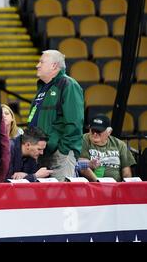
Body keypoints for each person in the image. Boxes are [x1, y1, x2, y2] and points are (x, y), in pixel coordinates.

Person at [27, 50, 84, 181]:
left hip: (59, 154)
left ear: (54, 66)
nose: (37, 65)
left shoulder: (69, 85)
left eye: (41, 62)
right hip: (42, 153)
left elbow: (74, 122)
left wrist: (62, 149)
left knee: (62, 195)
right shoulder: (43, 87)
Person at [79, 114, 136, 182]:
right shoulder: (83, 140)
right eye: (93, 130)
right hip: (93, 186)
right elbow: (83, 167)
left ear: (109, 132)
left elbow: (126, 172)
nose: (95, 134)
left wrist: (124, 188)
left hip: (116, 186)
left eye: (99, 131)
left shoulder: (120, 144)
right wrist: (99, 183)